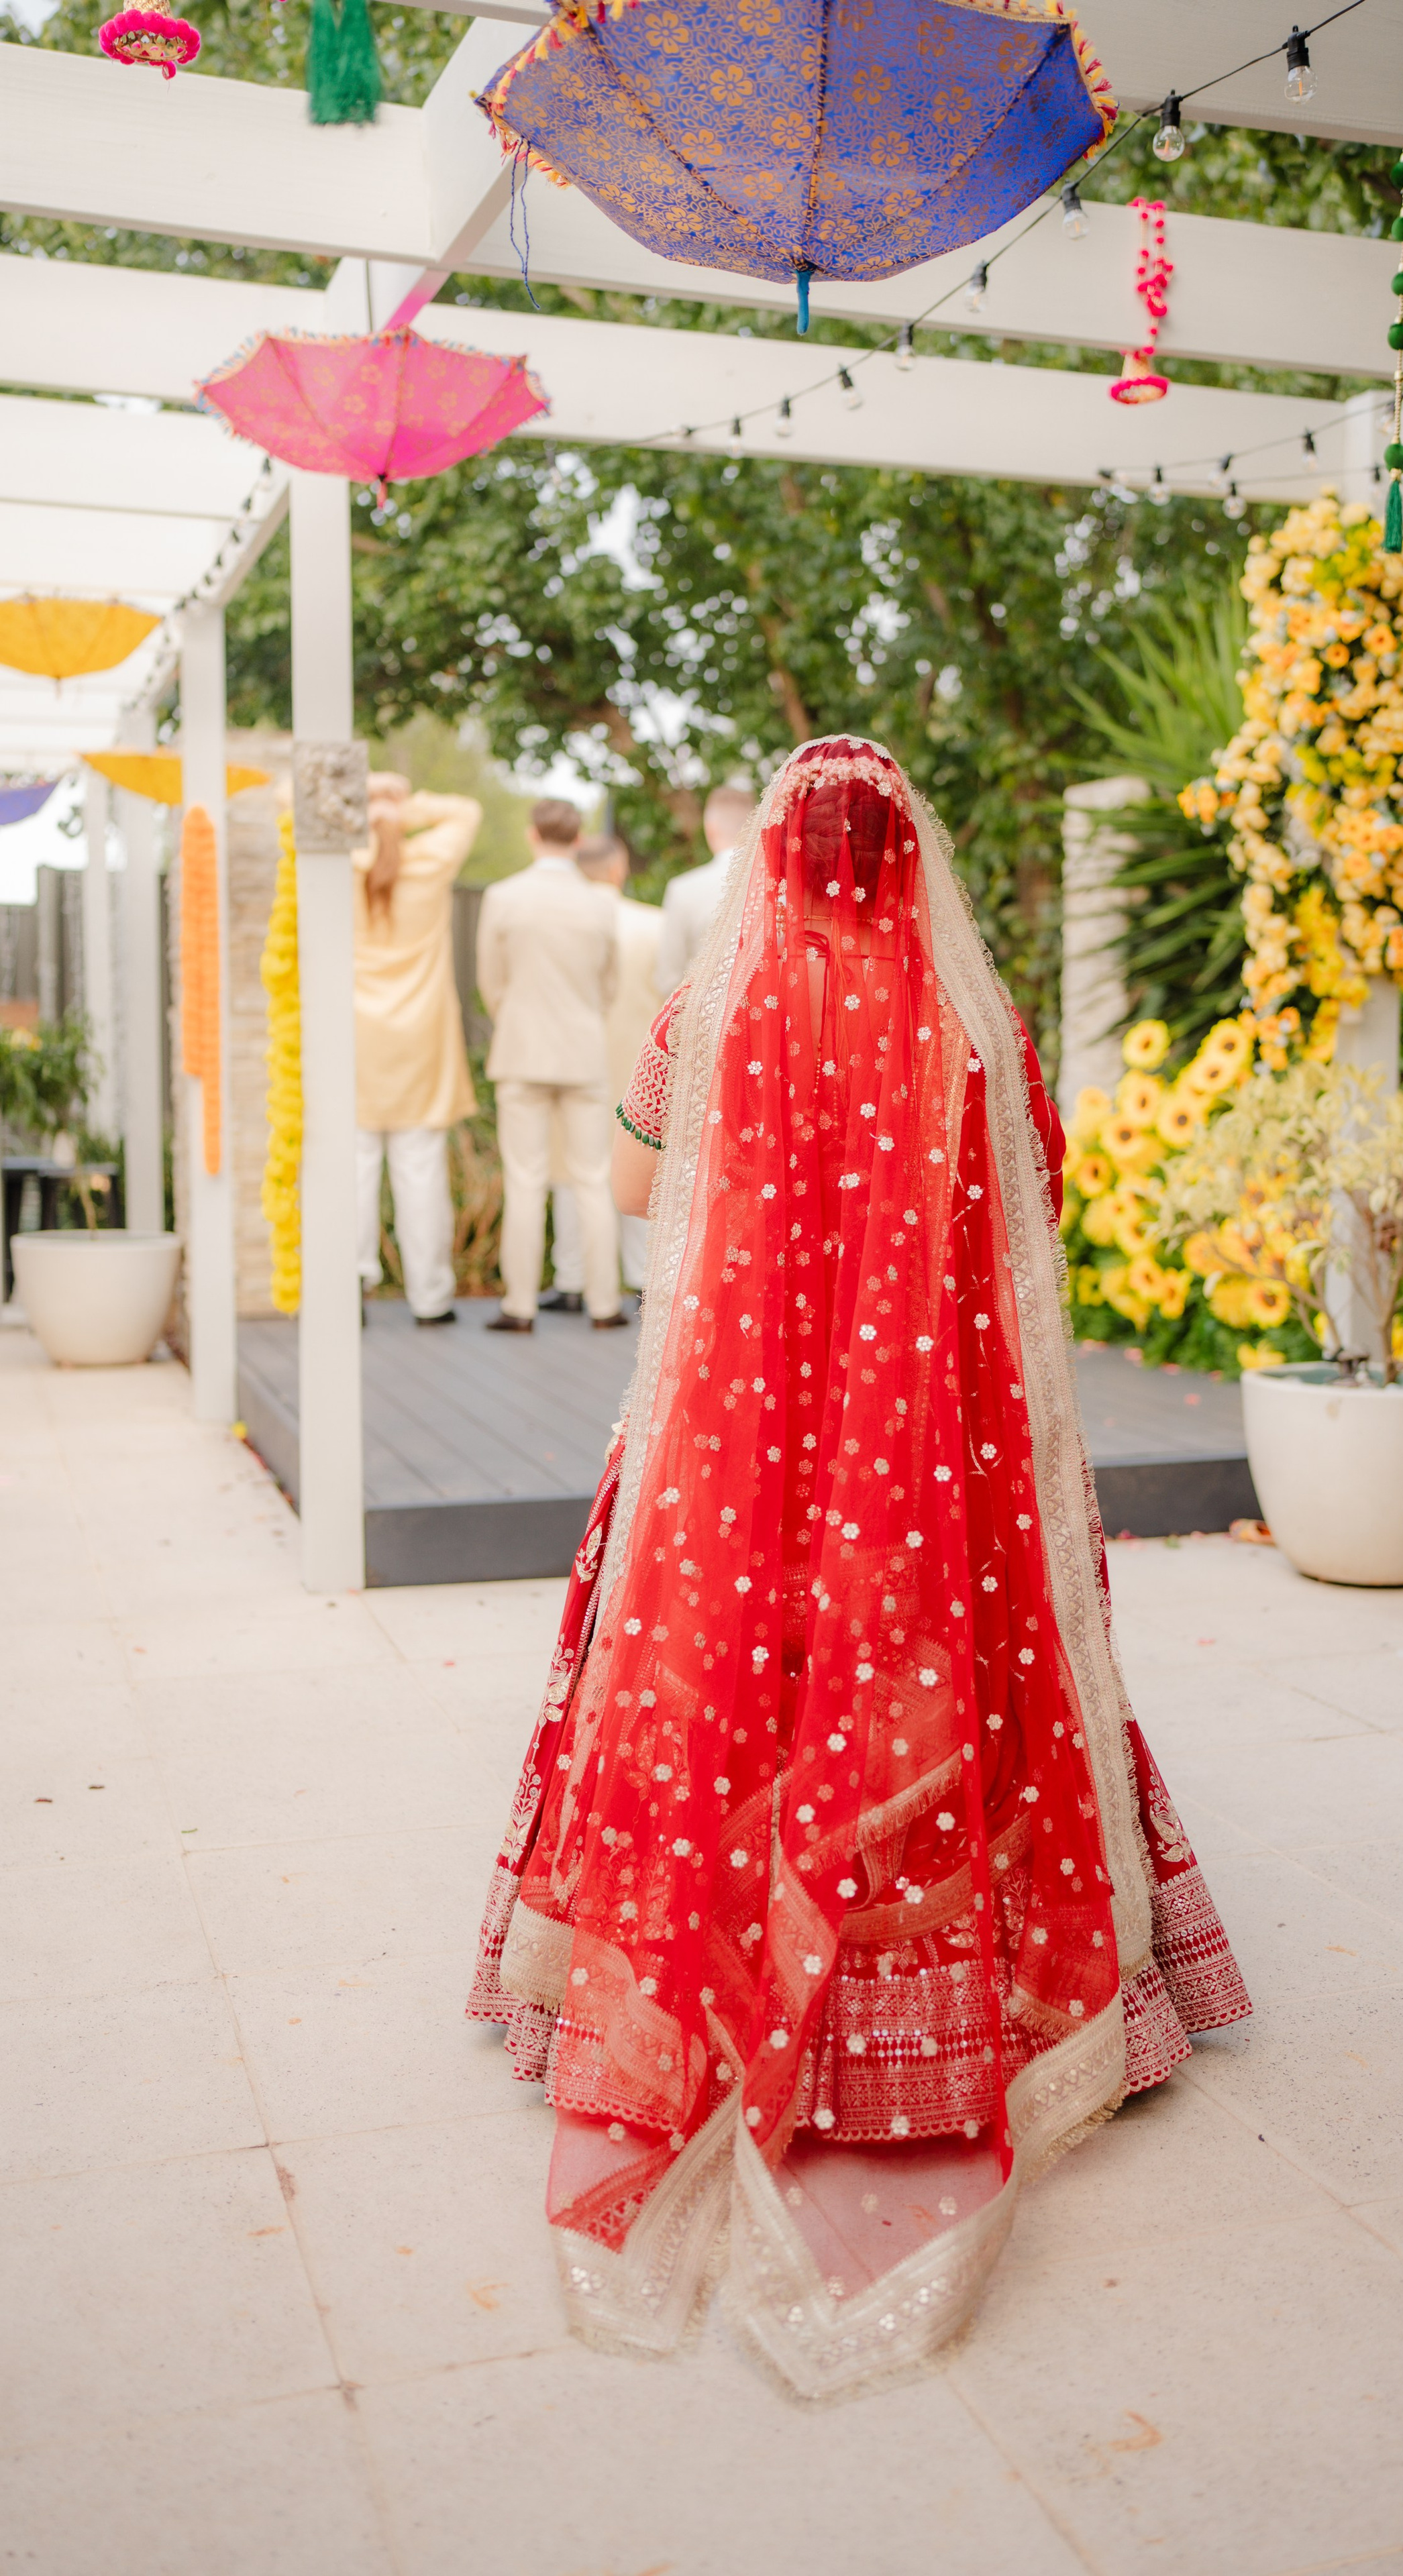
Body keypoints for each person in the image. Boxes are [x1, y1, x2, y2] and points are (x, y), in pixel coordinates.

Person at [466, 737, 1249, 2397]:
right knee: (925, 1697)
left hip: (730, 1462)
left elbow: (625, 1187)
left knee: (706, 1695)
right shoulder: (971, 1021)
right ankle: (924, 2016)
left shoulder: (708, 1014)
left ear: (767, 858)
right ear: (912, 862)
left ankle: (697, 1988)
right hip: (924, 1471)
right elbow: (1037, 1210)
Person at [476, 799, 624, 1335]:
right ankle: (605, 1304)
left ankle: (519, 1306)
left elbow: (491, 980)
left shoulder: (503, 897)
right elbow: (610, 984)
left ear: (531, 835)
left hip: (522, 1051)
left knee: (525, 1180)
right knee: (592, 1180)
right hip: (583, 1051)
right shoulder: (600, 904)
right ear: (579, 838)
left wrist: (513, 1019)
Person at [354, 772, 481, 1326]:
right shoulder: (428, 861)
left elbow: (288, 797)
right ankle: (430, 1298)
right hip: (421, 1042)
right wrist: (404, 804)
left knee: (354, 1168)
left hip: (354, 1039)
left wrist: (365, 794)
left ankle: (349, 1285)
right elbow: (466, 811)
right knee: (420, 1171)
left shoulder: (341, 862)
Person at [541, 831, 660, 1309]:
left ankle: (574, 1278)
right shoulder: (656, 924)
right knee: (640, 1165)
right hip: (638, 1066)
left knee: (573, 1168)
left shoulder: (555, 924)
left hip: (572, 1062)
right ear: (619, 868)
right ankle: (644, 1276)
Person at [653, 782, 752, 996]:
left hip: (702, 1023)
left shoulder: (683, 890)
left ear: (711, 828)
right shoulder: (781, 886)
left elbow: (668, 979)